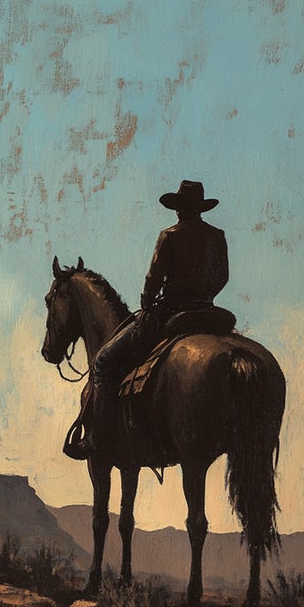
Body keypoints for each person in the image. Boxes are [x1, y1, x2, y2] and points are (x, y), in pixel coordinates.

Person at [64, 180, 230, 460]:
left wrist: (147, 303)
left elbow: (153, 279)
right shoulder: (217, 236)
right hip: (208, 312)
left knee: (104, 361)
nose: (177, 213)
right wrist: (204, 295)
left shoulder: (170, 236)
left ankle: (97, 439)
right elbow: (222, 277)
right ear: (199, 209)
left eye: (179, 208)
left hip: (170, 312)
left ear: (180, 210)